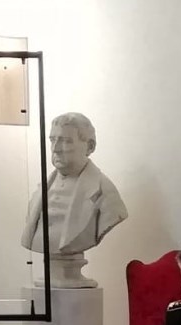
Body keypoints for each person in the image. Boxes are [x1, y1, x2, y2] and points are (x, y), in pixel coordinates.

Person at [20, 112, 129, 288]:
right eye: (52, 140)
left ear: (89, 146)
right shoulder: (39, 191)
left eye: (66, 141)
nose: (56, 148)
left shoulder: (105, 192)